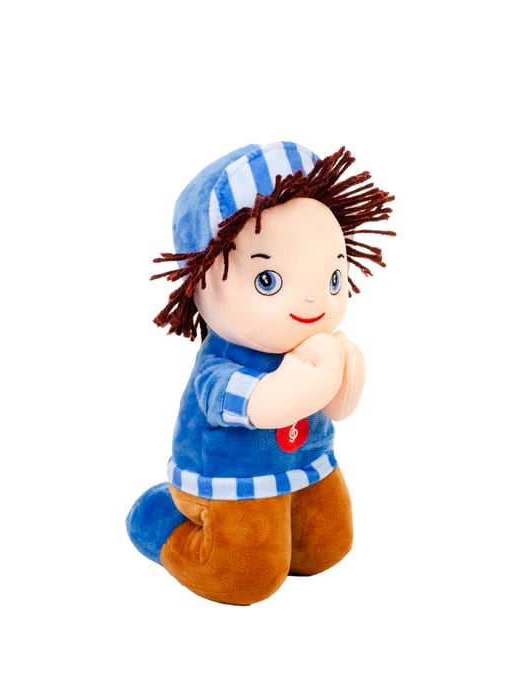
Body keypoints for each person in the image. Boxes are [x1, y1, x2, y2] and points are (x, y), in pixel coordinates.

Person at [127, 141, 395, 605]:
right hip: (234, 484)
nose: (313, 301)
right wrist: (316, 374)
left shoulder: (317, 345)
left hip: (308, 466)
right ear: (202, 281)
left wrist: (345, 374)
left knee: (328, 546)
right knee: (245, 578)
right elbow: (267, 405)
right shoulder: (220, 364)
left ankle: (286, 525)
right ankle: (161, 520)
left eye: (332, 279)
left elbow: (338, 408)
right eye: (268, 281)